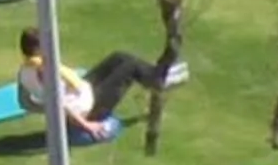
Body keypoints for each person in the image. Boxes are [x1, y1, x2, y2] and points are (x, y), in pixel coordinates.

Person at [15, 29, 172, 143]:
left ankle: (155, 77)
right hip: (88, 109)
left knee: (119, 57)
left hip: (82, 92)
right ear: (37, 49)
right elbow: (58, 103)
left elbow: (25, 101)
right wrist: (87, 125)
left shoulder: (26, 68)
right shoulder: (42, 71)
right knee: (129, 67)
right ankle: (159, 81)